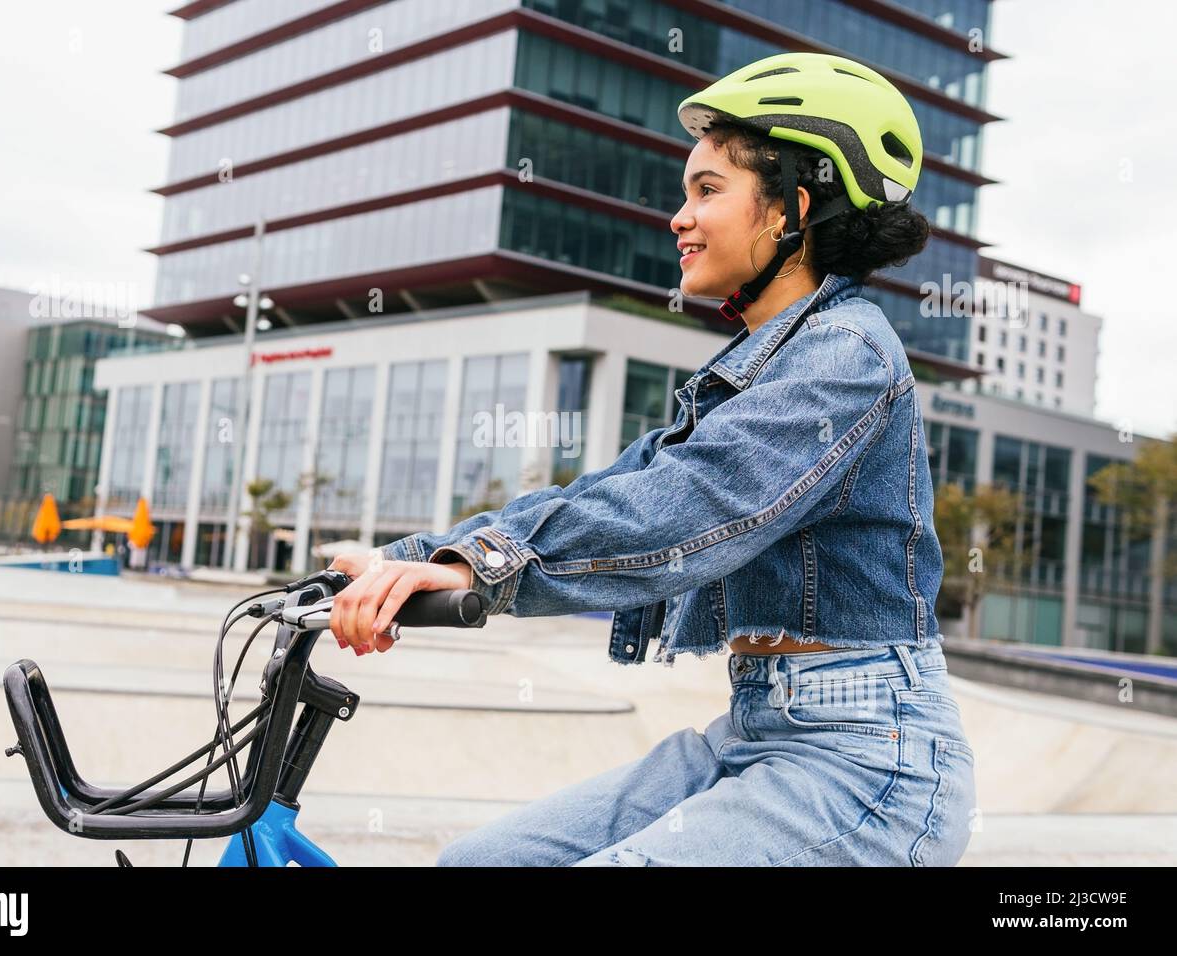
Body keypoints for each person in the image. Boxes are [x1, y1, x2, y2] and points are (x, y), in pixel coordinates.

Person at [327, 52, 977, 866]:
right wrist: (409, 561)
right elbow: (617, 490)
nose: (679, 215)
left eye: (709, 189)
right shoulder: (751, 371)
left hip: (864, 763)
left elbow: (702, 502)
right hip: (755, 732)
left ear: (792, 210)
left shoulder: (846, 354)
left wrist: (485, 571)